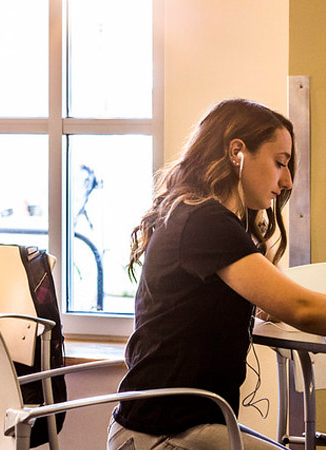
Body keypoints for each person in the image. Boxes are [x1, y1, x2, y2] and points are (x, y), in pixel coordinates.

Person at [108, 99, 326, 450]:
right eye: (279, 163)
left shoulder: (201, 216)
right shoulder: (204, 222)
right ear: (237, 152)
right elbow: (299, 308)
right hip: (163, 435)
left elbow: (270, 303)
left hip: (169, 426)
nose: (286, 181)